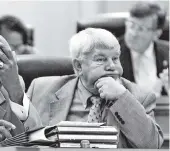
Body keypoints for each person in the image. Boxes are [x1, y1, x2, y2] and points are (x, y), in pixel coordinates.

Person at [27, 28, 163, 148]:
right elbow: (21, 138)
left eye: (115, 58)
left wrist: (121, 98)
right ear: (78, 67)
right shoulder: (41, 90)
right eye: (101, 59)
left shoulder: (139, 97)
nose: (112, 66)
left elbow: (151, 145)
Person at [119, 1, 169, 97]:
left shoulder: (168, 53)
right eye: (131, 25)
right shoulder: (109, 54)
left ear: (156, 34)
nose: (133, 33)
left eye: (141, 28)